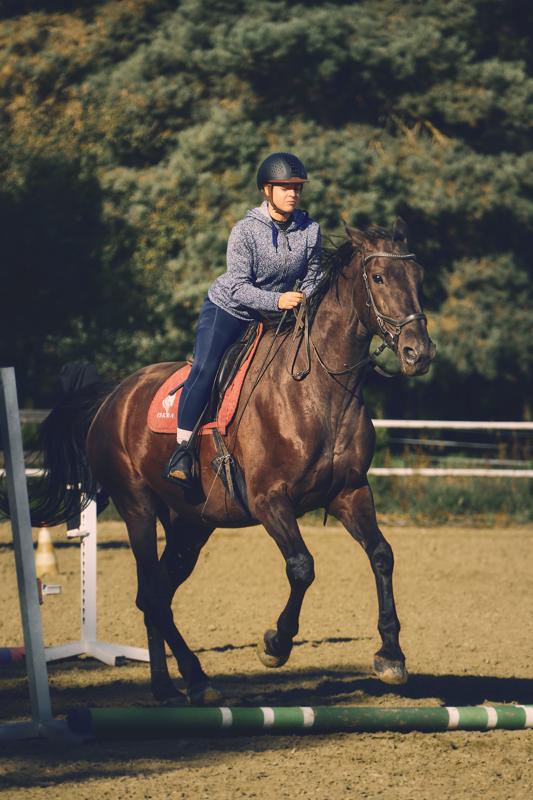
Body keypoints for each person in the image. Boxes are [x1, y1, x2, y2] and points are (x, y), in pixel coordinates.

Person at [163, 151, 323, 488]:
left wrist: (304, 296)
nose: (292, 193)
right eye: (284, 187)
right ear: (267, 190)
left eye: (296, 187)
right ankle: (183, 450)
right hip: (229, 309)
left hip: (276, 315)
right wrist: (278, 300)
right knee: (205, 369)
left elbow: (313, 274)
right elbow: (237, 287)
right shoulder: (245, 231)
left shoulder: (310, 230)